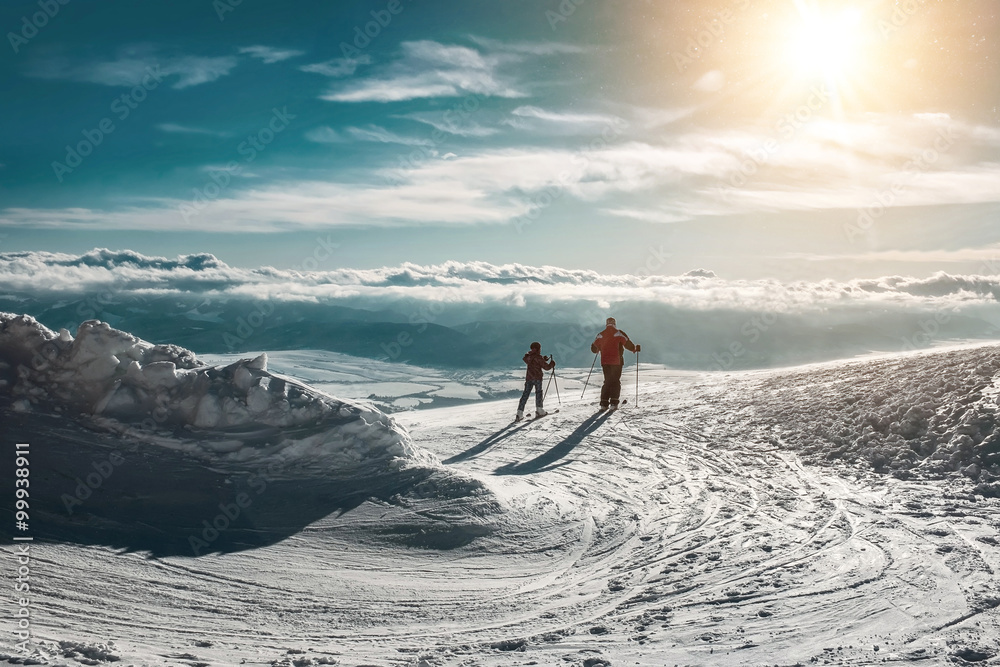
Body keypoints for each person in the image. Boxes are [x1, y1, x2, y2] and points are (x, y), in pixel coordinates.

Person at [591, 317, 640, 410]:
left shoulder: (600, 335)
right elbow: (627, 343)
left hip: (605, 362)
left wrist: (598, 349)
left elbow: (593, 348)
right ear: (614, 324)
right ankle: (614, 403)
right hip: (617, 361)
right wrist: (635, 348)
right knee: (615, 381)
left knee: (607, 381)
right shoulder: (619, 333)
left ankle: (604, 404)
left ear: (606, 324)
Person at [516, 341, 555, 421]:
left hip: (529, 378)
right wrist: (552, 364)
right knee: (538, 393)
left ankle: (519, 413)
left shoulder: (528, 357)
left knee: (525, 395)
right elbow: (546, 367)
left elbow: (534, 361)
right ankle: (539, 410)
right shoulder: (538, 357)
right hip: (537, 378)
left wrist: (543, 359)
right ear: (537, 349)